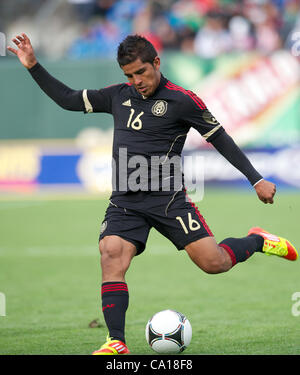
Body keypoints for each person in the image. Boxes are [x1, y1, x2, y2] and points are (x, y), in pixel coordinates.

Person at [8, 33, 298, 355]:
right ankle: (115, 341)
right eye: (129, 75)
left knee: (213, 263)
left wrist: (255, 179)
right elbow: (69, 99)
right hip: (126, 202)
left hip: (168, 200)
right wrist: (33, 66)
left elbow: (220, 138)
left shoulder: (182, 100)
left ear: (156, 63)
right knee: (111, 254)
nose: (136, 81)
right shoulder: (117, 96)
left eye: (141, 72)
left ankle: (257, 240)